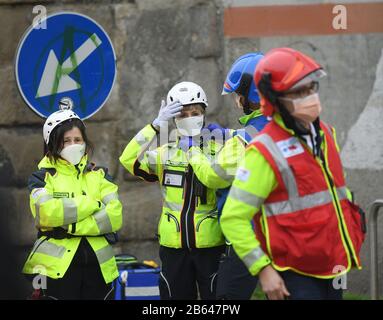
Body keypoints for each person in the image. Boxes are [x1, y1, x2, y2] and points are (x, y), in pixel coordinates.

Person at [220, 47, 366, 300]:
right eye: (298, 92)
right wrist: (263, 270)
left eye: (311, 88)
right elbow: (233, 218)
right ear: (275, 100)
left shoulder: (326, 136)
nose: (309, 96)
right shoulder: (264, 149)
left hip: (333, 265)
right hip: (294, 274)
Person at [119, 82, 225, 300]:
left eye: (194, 113)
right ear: (174, 120)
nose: (189, 118)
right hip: (173, 247)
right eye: (182, 114)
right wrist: (155, 126)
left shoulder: (219, 148)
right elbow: (128, 159)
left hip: (211, 246)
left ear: (204, 114)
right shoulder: (165, 154)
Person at [185, 53, 269, 299]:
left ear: (246, 96)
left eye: (236, 94)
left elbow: (213, 176)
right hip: (282, 236)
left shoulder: (241, 143)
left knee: (225, 299)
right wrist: (228, 134)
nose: (235, 99)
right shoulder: (283, 126)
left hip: (248, 239)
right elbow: (258, 131)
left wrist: (191, 150)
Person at [22, 98, 123, 300]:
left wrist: (70, 225)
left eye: (78, 140)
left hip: (98, 268)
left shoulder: (99, 174)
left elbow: (115, 216)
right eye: (66, 141)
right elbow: (46, 213)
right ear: (54, 144)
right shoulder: (42, 177)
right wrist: (92, 204)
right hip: (55, 270)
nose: (73, 145)